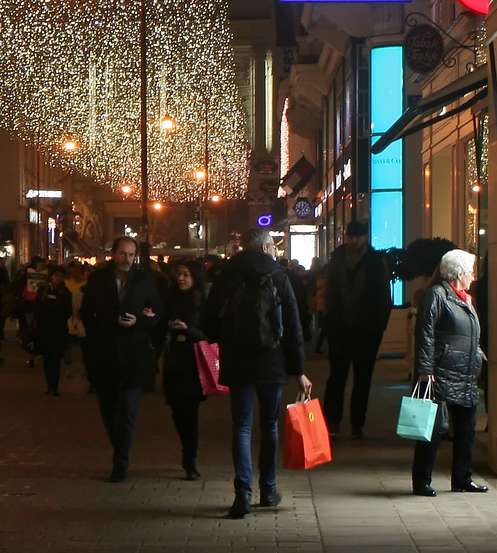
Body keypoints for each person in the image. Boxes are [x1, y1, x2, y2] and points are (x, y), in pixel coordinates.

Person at [204, 228, 310, 519]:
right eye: (273, 247)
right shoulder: (278, 277)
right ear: (265, 249)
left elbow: (208, 319)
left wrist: (225, 340)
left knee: (241, 426)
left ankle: (242, 493)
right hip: (271, 362)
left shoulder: (227, 276)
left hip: (237, 361)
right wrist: (298, 370)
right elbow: (294, 326)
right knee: (270, 426)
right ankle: (269, 488)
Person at [79, 237, 162, 482]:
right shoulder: (99, 279)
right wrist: (101, 331)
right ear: (113, 254)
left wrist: (141, 321)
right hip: (106, 352)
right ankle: (119, 446)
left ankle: (120, 461)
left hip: (134, 353)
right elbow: (86, 312)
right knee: (108, 408)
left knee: (128, 409)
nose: (127, 259)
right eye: (123, 254)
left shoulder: (145, 280)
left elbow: (157, 311)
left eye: (131, 255)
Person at [411, 249, 488, 497]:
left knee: (466, 431)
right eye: (470, 272)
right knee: (433, 430)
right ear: (458, 273)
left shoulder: (465, 298)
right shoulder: (437, 295)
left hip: (464, 374)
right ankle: (422, 480)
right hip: (441, 373)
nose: (473, 277)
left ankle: (462, 478)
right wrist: (425, 369)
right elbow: (425, 333)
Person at [321, 221, 392, 437]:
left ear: (364, 237)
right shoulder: (337, 259)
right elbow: (329, 291)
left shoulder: (375, 260)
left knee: (362, 378)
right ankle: (333, 420)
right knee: (337, 376)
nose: (353, 241)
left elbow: (383, 296)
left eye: (357, 237)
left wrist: (379, 326)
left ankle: (356, 423)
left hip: (367, 329)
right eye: (350, 236)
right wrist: (329, 321)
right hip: (339, 327)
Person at [161, 259, 208, 480]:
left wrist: (189, 329)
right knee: (177, 411)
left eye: (186, 274)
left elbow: (210, 334)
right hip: (174, 358)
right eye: (179, 273)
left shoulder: (202, 300)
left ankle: (190, 458)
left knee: (190, 412)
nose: (181, 278)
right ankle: (187, 451)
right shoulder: (170, 297)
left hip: (194, 360)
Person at [33, 264, 72, 396]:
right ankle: (49, 385)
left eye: (61, 275)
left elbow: (68, 312)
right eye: (56, 275)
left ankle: (54, 386)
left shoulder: (66, 293)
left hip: (58, 331)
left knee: (55, 359)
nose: (58, 277)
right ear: (51, 276)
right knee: (46, 359)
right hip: (44, 330)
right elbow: (37, 308)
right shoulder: (43, 290)